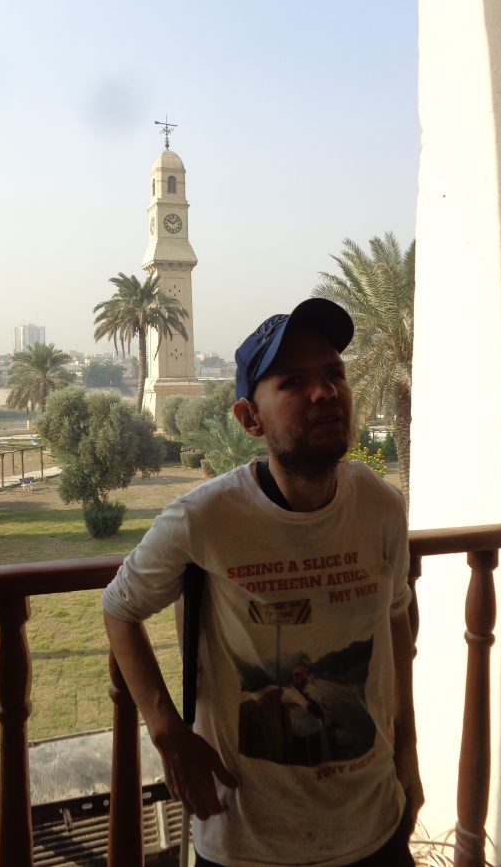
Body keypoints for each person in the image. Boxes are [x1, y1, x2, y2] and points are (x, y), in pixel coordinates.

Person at [102, 298, 423, 866]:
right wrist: (166, 731)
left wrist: (410, 754)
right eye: (294, 382)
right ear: (250, 419)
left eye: (333, 373)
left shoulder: (379, 506)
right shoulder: (205, 518)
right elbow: (120, 607)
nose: (325, 392)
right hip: (247, 842)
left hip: (372, 828)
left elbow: (396, 619)